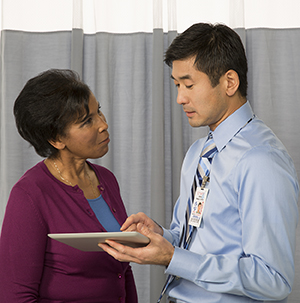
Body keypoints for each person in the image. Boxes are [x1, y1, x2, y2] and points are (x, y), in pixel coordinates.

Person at [99, 23, 299, 303]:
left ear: (230, 82)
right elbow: (194, 237)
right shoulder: (199, 153)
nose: (181, 98)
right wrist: (161, 236)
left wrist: (173, 257)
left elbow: (273, 279)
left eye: (189, 84)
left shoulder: (261, 161)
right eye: (177, 85)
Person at [0, 69, 138, 302]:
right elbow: (16, 295)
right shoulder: (29, 195)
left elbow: (122, 270)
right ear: (56, 139)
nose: (103, 124)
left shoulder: (107, 179)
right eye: (87, 121)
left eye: (99, 111)